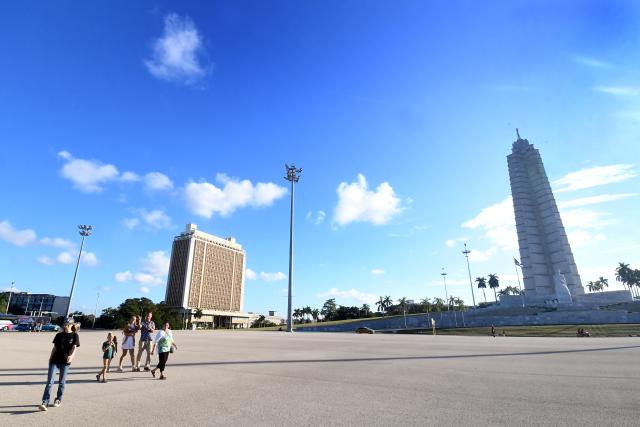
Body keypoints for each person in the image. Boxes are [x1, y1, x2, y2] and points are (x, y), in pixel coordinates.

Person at [38, 318, 80, 411]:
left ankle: (58, 399)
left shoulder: (75, 335)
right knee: (49, 382)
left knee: (62, 382)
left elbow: (74, 348)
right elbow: (55, 348)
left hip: (65, 362)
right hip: (54, 361)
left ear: (71, 325)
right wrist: (50, 357)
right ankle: (45, 402)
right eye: (65, 324)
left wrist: (71, 357)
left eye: (67, 324)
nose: (65, 325)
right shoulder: (58, 335)